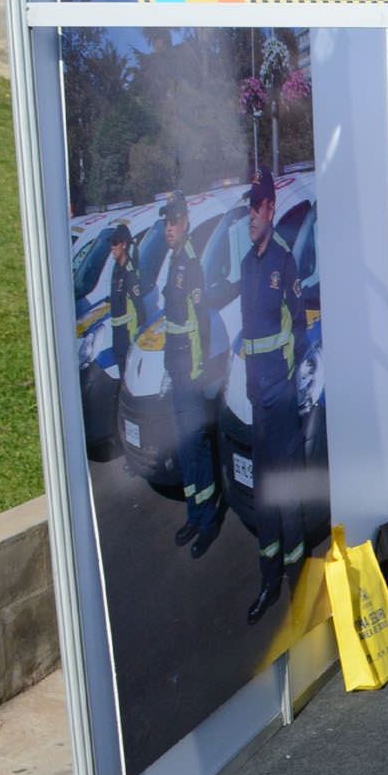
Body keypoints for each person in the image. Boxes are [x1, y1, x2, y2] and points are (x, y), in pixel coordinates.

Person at [240, 168, 312, 626]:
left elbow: (300, 333)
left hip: (281, 402)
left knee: (286, 497)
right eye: (248, 207)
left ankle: (299, 587)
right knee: (264, 494)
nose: (250, 216)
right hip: (256, 402)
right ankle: (268, 579)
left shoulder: (284, 263)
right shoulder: (248, 263)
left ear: (270, 209)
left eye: (256, 207)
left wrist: (285, 387)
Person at [159, 192, 225, 560]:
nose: (168, 228)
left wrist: (197, 375)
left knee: (198, 450)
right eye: (165, 222)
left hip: (191, 376)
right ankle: (193, 515)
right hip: (177, 371)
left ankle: (209, 521)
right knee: (185, 449)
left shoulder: (191, 266)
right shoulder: (173, 263)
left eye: (173, 221)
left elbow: (200, 327)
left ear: (185, 222)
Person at [104, 224, 144, 375]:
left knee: (129, 375)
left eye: (115, 243)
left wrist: (136, 340)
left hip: (128, 335)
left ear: (124, 244)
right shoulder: (116, 268)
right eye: (111, 243)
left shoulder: (130, 271)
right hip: (118, 334)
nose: (112, 247)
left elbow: (139, 308)